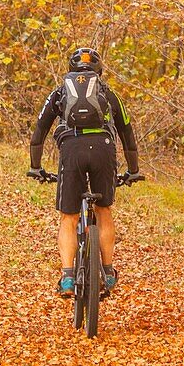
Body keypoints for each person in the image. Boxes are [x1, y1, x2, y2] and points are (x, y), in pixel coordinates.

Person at [28, 47, 142, 297]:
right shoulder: (108, 93)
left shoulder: (59, 92)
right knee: (103, 210)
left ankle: (68, 277)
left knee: (69, 217)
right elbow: (127, 132)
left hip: (72, 148)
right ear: (98, 71)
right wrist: (133, 170)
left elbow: (39, 132)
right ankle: (109, 272)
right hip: (103, 148)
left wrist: (35, 167)